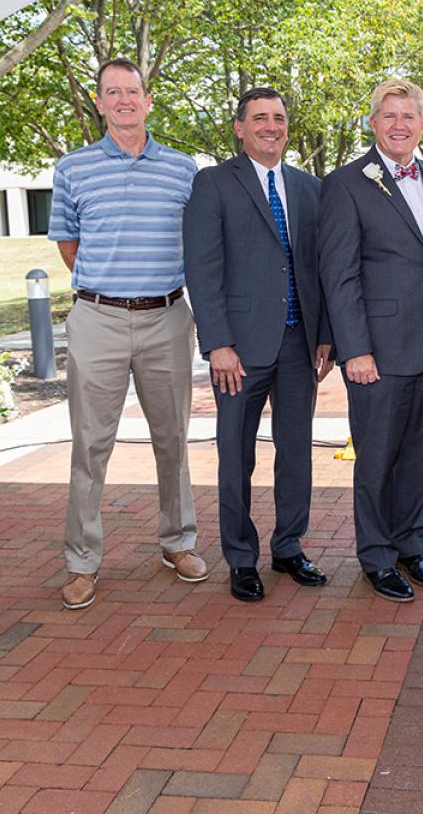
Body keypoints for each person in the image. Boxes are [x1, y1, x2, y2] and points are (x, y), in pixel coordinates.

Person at [48, 58, 204, 610]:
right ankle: (81, 562)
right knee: (90, 446)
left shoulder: (184, 170)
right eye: (112, 92)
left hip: (166, 316)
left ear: (148, 99)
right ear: (99, 102)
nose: (123, 100)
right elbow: (69, 245)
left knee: (173, 439)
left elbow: (198, 243)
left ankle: (178, 542)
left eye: (132, 91)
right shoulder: (72, 168)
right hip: (99, 319)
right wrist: (109, 287)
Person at [182, 87, 334, 602]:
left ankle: (288, 547)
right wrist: (217, 343)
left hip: (299, 344)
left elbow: (322, 270)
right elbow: (202, 271)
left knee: (296, 454)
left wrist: (326, 336)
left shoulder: (309, 188)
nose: (271, 126)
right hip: (239, 351)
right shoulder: (213, 184)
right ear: (240, 127)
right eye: (260, 118)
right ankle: (241, 558)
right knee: (236, 456)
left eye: (279, 118)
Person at [318, 78, 423, 602]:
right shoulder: (347, 183)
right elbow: (339, 274)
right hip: (376, 350)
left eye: (410, 115)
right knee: (376, 459)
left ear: (422, 124)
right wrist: (354, 349)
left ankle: (410, 546)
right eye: (390, 115)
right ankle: (376, 557)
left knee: (419, 456)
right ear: (373, 122)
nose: (400, 124)